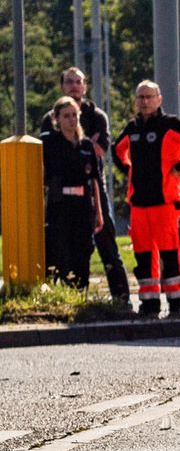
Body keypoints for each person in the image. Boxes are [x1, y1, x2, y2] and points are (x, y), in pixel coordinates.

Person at [39, 67, 131, 305]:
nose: (74, 86)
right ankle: (53, 299)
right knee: (56, 248)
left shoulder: (96, 115)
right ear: (62, 86)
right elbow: (48, 162)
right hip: (60, 197)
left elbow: (98, 154)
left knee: (106, 244)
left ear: (85, 86)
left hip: (92, 191)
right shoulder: (49, 120)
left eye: (78, 82)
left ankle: (121, 299)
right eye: (69, 82)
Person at [113, 80, 180, 319]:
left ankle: (176, 304)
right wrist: (129, 171)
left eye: (149, 97)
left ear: (159, 99)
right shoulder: (132, 127)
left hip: (165, 202)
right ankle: (149, 303)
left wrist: (178, 167)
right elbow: (116, 151)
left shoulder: (171, 124)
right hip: (139, 204)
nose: (144, 102)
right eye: (140, 97)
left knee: (170, 254)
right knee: (143, 255)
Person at [41, 96, 105, 289]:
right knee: (58, 249)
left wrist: (99, 212)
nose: (71, 119)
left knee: (83, 250)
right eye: (66, 116)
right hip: (59, 204)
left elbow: (94, 179)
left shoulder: (86, 146)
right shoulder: (50, 143)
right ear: (57, 119)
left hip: (82, 204)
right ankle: (56, 292)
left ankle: (79, 291)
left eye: (74, 115)